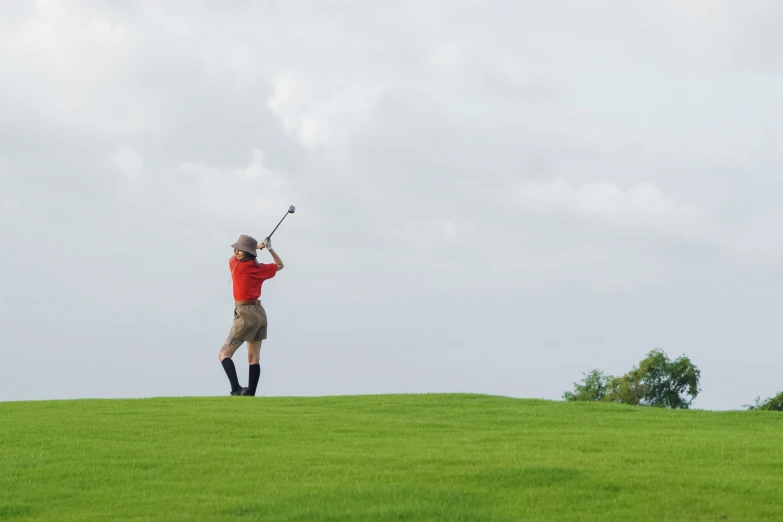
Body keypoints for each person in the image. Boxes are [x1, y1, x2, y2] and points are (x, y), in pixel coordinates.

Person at [218, 234, 284, 396]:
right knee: (253, 358)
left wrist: (257, 247)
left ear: (248, 252)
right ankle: (250, 394)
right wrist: (269, 248)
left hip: (245, 313)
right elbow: (279, 265)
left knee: (224, 354)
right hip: (259, 314)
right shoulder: (260, 269)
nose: (236, 252)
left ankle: (236, 389)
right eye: (236, 248)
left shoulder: (236, 265)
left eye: (240, 249)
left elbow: (233, 258)